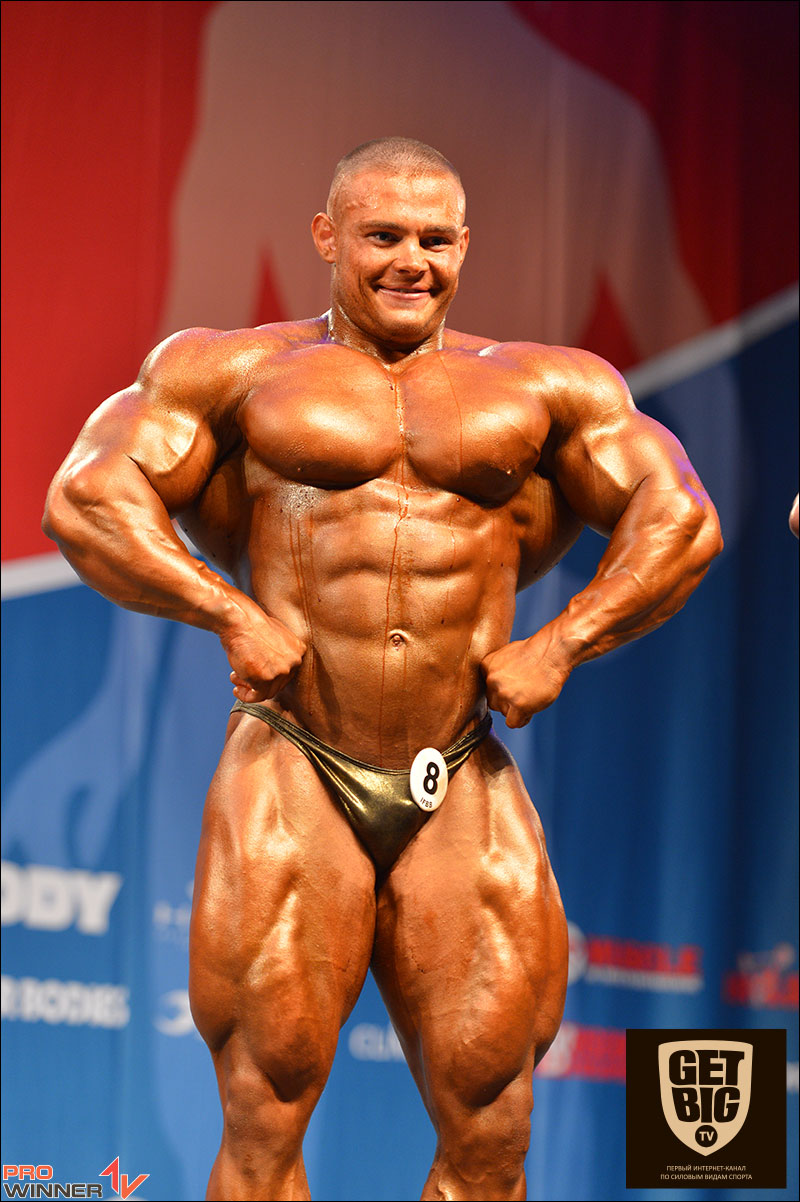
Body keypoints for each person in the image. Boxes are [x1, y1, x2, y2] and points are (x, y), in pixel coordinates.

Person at [43, 138, 722, 1202]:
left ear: (464, 246)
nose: (412, 260)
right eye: (383, 236)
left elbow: (678, 515)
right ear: (327, 238)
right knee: (265, 1104)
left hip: (458, 767)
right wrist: (227, 612)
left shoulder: (545, 386)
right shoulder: (231, 371)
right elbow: (89, 498)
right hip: (296, 758)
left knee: (493, 1118)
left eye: (434, 240)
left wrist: (563, 641)